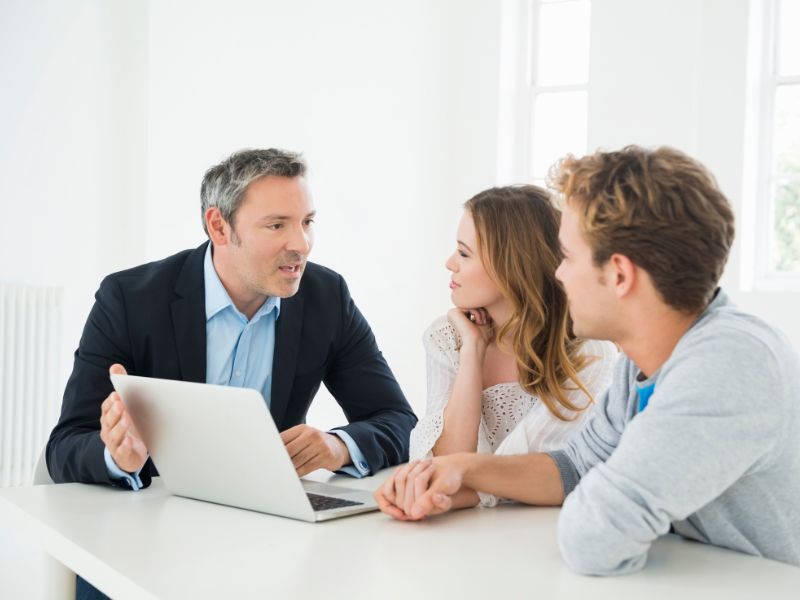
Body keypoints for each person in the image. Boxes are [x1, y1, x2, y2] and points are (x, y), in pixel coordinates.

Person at [374, 146, 800, 575]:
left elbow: (595, 538)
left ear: (619, 275)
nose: (556, 274)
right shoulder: (641, 361)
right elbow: (575, 467)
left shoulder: (729, 365)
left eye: (567, 256)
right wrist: (462, 467)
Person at [48, 148, 416, 488]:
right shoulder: (129, 300)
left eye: (307, 222)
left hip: (269, 517)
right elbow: (65, 444)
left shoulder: (327, 298)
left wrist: (339, 446)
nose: (301, 244)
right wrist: (117, 457)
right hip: (158, 517)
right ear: (219, 227)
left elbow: (399, 421)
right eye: (277, 225)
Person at [388, 185, 617, 511]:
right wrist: (473, 351)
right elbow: (443, 461)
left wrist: (444, 493)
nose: (449, 263)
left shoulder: (588, 354)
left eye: (464, 253)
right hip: (466, 534)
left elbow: (526, 467)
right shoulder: (449, 336)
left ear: (512, 268)